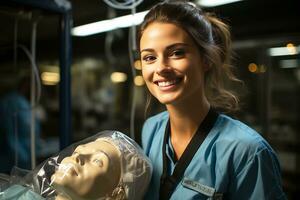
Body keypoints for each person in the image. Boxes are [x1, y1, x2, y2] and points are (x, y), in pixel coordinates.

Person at [138, 1, 286, 200]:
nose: (161, 67)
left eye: (177, 53)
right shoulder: (151, 130)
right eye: (149, 57)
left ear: (206, 59)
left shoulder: (247, 152)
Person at [0, 130, 152, 200]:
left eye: (98, 161)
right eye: (80, 150)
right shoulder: (18, 196)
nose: (80, 156)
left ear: (116, 196)